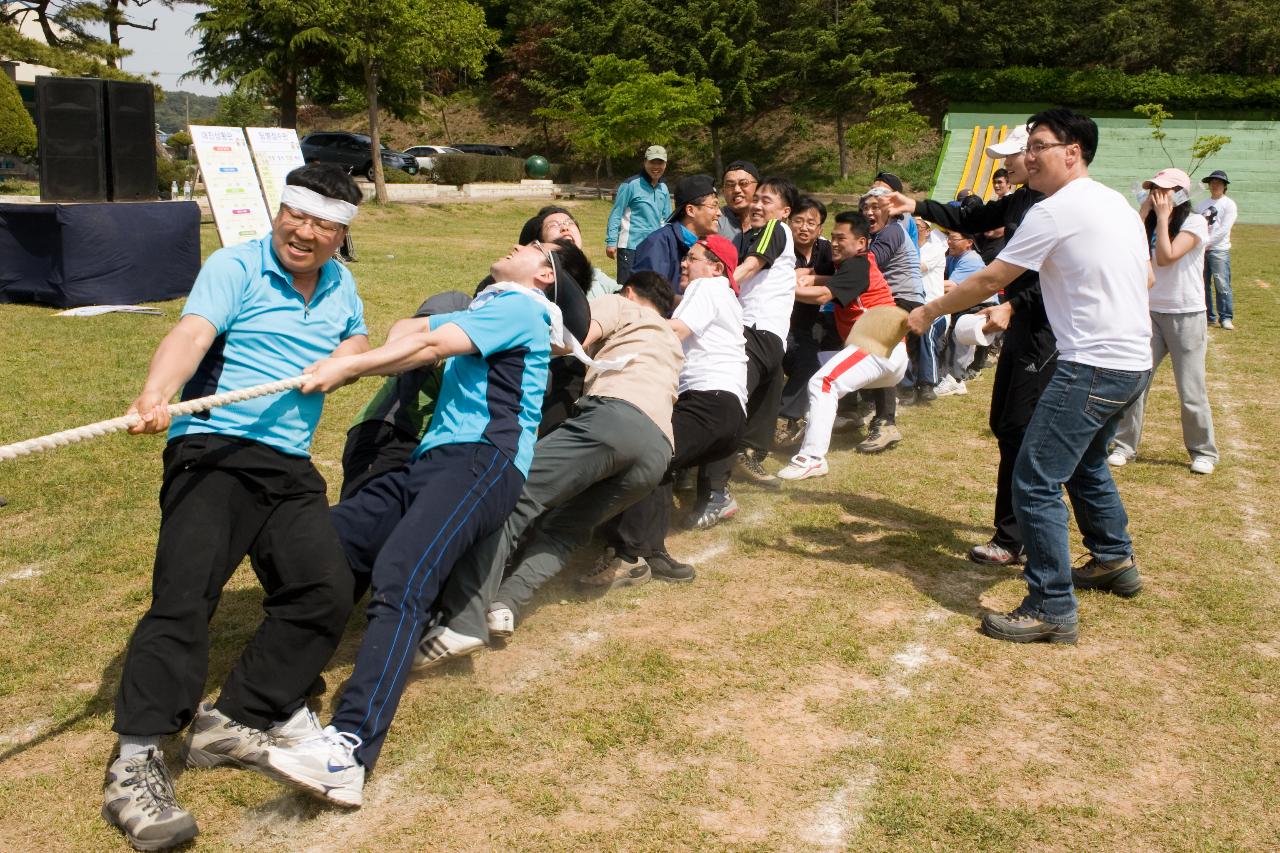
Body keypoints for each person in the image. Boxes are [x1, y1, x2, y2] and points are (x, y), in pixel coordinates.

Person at [262, 238, 589, 805]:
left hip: (481, 458)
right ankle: (278, 695)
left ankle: (350, 749)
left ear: (543, 276)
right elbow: (406, 330)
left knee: (401, 579)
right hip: (430, 458)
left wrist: (350, 367)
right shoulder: (491, 306)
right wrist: (382, 347)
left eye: (537, 249)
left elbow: (431, 344)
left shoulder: (525, 308)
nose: (523, 243)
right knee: (323, 544)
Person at [103, 164, 369, 851]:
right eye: (295, 216)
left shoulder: (341, 285)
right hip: (214, 449)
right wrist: (157, 390)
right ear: (279, 210)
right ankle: (135, 759)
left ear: (342, 234)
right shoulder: (237, 265)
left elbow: (358, 337)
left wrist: (348, 355)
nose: (302, 233)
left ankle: (235, 717)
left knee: (324, 589)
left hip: (286, 461)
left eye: (321, 225)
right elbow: (191, 335)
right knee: (185, 597)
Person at [907, 108, 1153, 645]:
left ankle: (1051, 606)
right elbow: (1148, 274)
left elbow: (994, 277)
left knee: (1035, 477)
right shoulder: (1114, 202)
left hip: (1091, 363)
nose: (1031, 155)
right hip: (1133, 363)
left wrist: (928, 312)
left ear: (1073, 152)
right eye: (1030, 146)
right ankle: (1112, 558)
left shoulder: (1054, 210)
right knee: (1086, 462)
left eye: (1041, 145)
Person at [416, 270, 684, 663]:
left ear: (628, 291)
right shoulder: (669, 339)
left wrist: (499, 337)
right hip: (658, 450)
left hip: (614, 418)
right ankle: (506, 603)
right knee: (566, 530)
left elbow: (570, 340)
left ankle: (463, 622)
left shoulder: (620, 303)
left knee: (510, 499)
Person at [882, 122, 1053, 568]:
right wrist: (916, 204)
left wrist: (1013, 306)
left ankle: (1022, 537)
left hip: (1047, 333)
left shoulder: (1052, 206)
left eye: (1010, 157)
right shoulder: (1021, 199)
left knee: (1026, 433)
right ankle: (1019, 533)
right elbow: (971, 218)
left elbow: (1059, 275)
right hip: (1025, 329)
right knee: (1009, 425)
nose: (1003, 165)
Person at [602, 235, 747, 559]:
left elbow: (675, 331)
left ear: (715, 267)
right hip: (727, 412)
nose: (683, 263)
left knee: (646, 456)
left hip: (709, 402)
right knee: (660, 461)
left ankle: (629, 555)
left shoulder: (708, 287)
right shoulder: (723, 296)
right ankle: (651, 552)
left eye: (692, 258)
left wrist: (620, 331)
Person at [777, 210, 908, 480]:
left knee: (823, 382)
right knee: (811, 368)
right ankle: (812, 423)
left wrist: (781, 288)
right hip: (877, 349)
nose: (834, 243)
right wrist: (807, 277)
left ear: (861, 243)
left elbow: (823, 295)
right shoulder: (846, 265)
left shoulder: (859, 265)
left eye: (841, 238)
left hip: (879, 345)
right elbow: (815, 275)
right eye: (833, 237)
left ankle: (812, 457)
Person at [1110, 168, 1218, 475]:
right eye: (1153, 189)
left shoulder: (1195, 221)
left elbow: (1167, 256)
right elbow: (1126, 248)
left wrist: (1161, 217)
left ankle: (1203, 451)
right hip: (1149, 312)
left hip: (1185, 313)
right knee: (1135, 383)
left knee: (1191, 388)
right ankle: (1124, 445)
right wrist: (1144, 212)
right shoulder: (1145, 221)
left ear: (1180, 194)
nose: (1157, 195)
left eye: (1164, 190)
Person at [698, 176, 799, 502]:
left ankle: (744, 457)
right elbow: (746, 267)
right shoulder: (750, 237)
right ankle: (712, 490)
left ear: (784, 211)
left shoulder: (775, 230)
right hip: (754, 332)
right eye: (756, 200)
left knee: (760, 400)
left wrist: (716, 288)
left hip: (762, 333)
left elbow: (751, 267)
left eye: (765, 201)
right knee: (731, 405)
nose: (756, 205)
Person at [339, 291, 470, 500]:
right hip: (393, 430)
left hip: (439, 446)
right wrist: (423, 352)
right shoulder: (460, 303)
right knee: (364, 520)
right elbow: (411, 334)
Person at [778, 196, 835, 439]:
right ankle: (784, 417)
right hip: (782, 322)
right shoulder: (780, 247)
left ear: (820, 228)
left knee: (823, 358)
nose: (804, 227)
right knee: (805, 362)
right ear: (789, 221)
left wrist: (811, 275)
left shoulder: (827, 251)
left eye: (811, 223)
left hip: (815, 322)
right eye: (798, 221)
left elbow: (845, 279)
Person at [632, 174, 722, 294]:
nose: (719, 213)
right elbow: (647, 296)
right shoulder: (658, 244)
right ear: (690, 210)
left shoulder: (708, 244)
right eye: (713, 206)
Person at [605, 146, 672, 283]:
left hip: (655, 247)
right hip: (630, 247)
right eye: (653, 162)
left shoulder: (664, 188)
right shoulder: (630, 185)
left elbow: (667, 219)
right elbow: (616, 213)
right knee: (627, 289)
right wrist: (611, 241)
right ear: (645, 162)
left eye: (660, 163)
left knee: (651, 290)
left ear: (665, 165)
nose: (656, 167)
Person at [1196, 169, 1237, 329]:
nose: (1215, 185)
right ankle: (1208, 316)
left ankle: (1225, 317)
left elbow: (1224, 229)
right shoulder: (1202, 205)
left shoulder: (1229, 204)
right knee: (1202, 284)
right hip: (1201, 250)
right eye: (1212, 182)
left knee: (1222, 284)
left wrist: (1207, 242)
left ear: (1224, 186)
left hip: (1219, 249)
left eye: (1218, 182)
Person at [718, 159, 760, 244]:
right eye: (730, 185)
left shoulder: (770, 221)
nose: (736, 190)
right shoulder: (714, 222)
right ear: (723, 191)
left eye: (744, 183)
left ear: (758, 187)